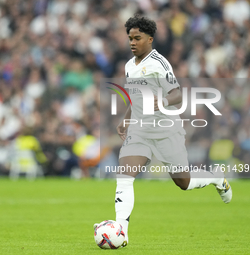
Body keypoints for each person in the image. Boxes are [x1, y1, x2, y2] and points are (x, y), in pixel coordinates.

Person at [94, 15, 232, 247]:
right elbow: (135, 97)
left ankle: (216, 177)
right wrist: (125, 119)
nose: (132, 42)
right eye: (130, 38)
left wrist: (164, 101)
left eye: (137, 38)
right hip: (139, 130)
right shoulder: (129, 65)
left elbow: (177, 93)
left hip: (166, 130)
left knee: (184, 182)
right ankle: (121, 232)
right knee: (124, 178)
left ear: (150, 39)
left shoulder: (159, 63)